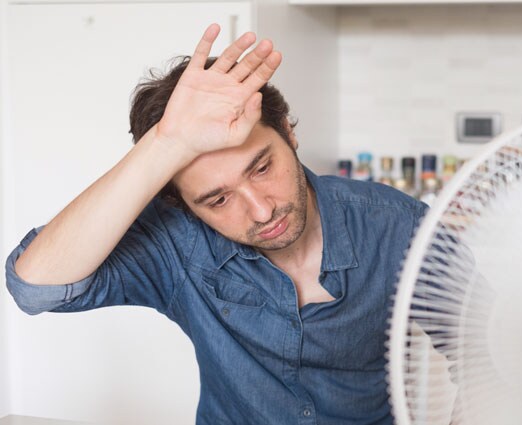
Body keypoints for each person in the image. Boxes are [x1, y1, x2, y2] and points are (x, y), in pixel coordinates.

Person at [5, 24, 427, 425]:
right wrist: (168, 144)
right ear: (181, 203)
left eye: (262, 168)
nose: (262, 211)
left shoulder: (398, 227)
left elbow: (485, 348)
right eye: (219, 199)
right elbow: (34, 287)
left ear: (287, 132)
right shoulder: (176, 243)